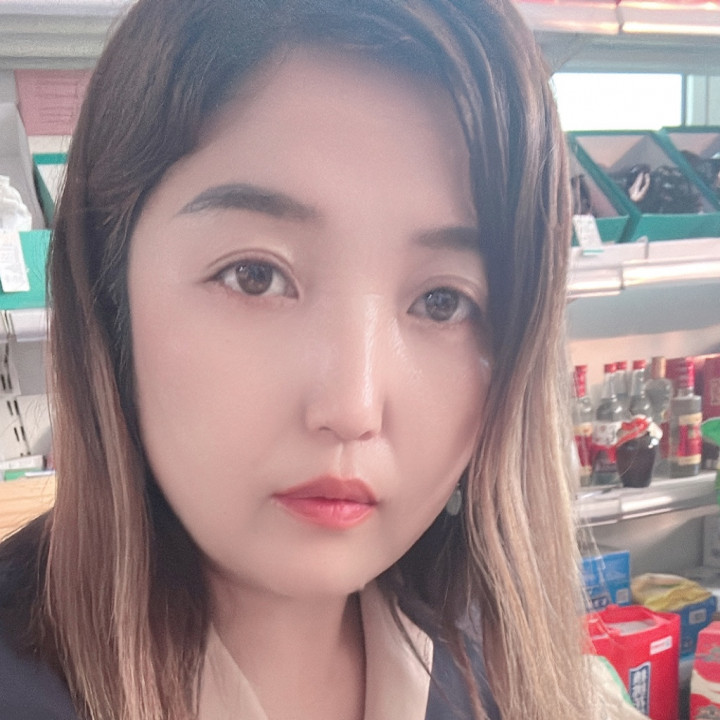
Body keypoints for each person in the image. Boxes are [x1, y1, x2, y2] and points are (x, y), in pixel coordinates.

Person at [0, 0, 614, 718]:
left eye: (443, 301)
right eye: (254, 276)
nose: (352, 407)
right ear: (108, 292)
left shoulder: (492, 672)